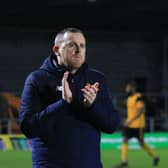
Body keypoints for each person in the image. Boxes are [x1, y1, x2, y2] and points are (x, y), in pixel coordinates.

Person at [19, 27, 120, 168]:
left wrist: (91, 107)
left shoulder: (96, 79)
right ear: (56, 49)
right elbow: (28, 128)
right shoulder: (37, 79)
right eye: (72, 45)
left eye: (82, 45)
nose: (79, 50)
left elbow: (112, 125)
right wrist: (63, 104)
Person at [115, 80, 160, 168]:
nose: (126, 89)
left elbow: (141, 111)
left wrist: (130, 120)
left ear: (133, 88)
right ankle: (124, 161)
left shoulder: (139, 97)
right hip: (130, 125)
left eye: (128, 87)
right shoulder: (129, 98)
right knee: (125, 139)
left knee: (141, 143)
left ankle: (155, 157)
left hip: (138, 126)